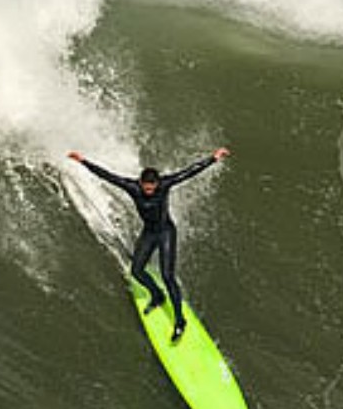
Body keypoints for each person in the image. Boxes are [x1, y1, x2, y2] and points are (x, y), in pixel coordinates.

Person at [67, 147, 232, 343]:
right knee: (136, 271)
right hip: (149, 233)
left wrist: (213, 158)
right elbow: (108, 176)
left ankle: (180, 321)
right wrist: (83, 161)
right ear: (141, 183)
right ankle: (157, 295)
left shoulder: (165, 184)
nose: (149, 191)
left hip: (165, 232)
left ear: (157, 183)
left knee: (168, 276)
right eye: (146, 187)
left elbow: (189, 172)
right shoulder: (132, 187)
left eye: (152, 188)